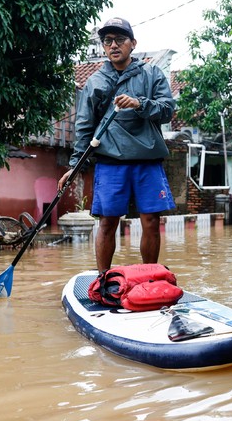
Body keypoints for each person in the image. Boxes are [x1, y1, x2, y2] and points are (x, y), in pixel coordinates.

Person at [59, 17, 176, 276]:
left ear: (133, 44)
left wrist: (140, 104)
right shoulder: (95, 82)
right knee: (108, 222)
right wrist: (74, 166)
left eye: (120, 39)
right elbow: (84, 127)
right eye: (107, 41)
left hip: (147, 160)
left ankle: (150, 277)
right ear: (103, 47)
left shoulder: (151, 74)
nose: (114, 45)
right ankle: (103, 278)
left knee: (151, 221)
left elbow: (167, 110)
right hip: (111, 162)